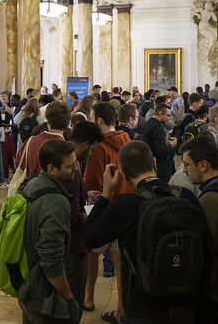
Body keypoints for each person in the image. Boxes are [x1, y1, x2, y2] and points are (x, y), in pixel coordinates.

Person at [82, 141, 212, 323]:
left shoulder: (126, 204)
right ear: (155, 163)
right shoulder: (185, 195)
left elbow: (89, 238)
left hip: (142, 304)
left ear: (124, 174)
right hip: (185, 299)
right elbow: (207, 246)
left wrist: (105, 194)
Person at [18, 140, 79, 324]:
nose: (75, 168)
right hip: (45, 298)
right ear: (52, 169)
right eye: (70, 166)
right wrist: (69, 298)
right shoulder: (56, 202)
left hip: (26, 287)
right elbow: (51, 259)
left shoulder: (32, 185)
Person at [83, 102, 132, 323]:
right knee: (120, 262)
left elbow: (91, 181)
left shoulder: (99, 146)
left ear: (98, 120)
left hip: (103, 207)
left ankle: (88, 297)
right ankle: (120, 308)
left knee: (91, 253)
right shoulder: (128, 140)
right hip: (124, 206)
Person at [179, 133, 218, 324]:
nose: (184, 170)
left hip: (213, 285)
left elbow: (200, 247)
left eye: (187, 165)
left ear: (203, 165)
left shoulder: (210, 199)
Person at [66, 122, 104, 321]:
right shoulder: (70, 170)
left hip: (73, 246)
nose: (91, 154)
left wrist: (85, 193)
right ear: (85, 144)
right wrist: (88, 217)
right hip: (72, 248)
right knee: (72, 306)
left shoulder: (69, 163)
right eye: (92, 149)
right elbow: (72, 215)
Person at [15, 101, 72, 177]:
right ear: (68, 123)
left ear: (48, 121)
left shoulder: (30, 141)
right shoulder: (68, 149)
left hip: (30, 186)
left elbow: (18, 162)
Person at [142, 103, 177, 182]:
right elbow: (160, 152)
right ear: (160, 113)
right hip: (159, 166)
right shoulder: (158, 128)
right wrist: (171, 145)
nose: (169, 118)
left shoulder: (147, 123)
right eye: (168, 115)